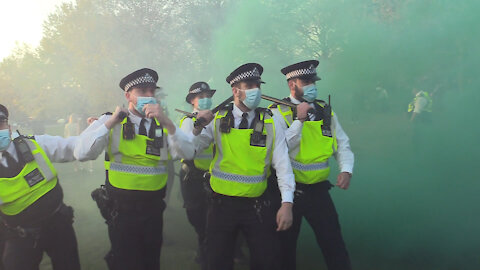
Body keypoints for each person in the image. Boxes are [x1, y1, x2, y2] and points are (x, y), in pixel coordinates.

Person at [74, 68, 195, 270]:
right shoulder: (111, 120)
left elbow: (188, 153)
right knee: (126, 262)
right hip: (122, 212)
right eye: (142, 91)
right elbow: (82, 153)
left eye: (151, 90)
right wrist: (110, 122)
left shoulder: (164, 124)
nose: (148, 96)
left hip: (153, 210)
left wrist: (167, 122)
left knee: (151, 262)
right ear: (127, 95)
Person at [193, 63, 295, 270]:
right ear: (235, 91)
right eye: (249, 85)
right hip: (221, 206)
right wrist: (197, 126)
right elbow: (189, 149)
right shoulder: (216, 118)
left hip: (257, 207)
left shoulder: (271, 120)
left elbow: (283, 163)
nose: (255, 90)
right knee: (216, 262)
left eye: (257, 85)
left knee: (266, 261)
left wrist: (287, 203)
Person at [270, 60, 354, 270]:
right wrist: (299, 120)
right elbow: (278, 149)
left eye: (313, 81)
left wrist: (346, 169)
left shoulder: (325, 110)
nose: (312, 86)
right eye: (305, 81)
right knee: (284, 248)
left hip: (318, 191)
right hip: (287, 193)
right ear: (292, 85)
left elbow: (342, 143)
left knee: (333, 243)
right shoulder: (276, 112)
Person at [0, 104, 80, 270]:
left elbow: (76, 147)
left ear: (8, 126)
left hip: (58, 225)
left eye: (0, 122)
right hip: (19, 235)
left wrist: (103, 125)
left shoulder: (34, 143)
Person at [178, 81, 216, 268]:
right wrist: (199, 126)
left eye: (208, 96)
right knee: (199, 220)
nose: (205, 100)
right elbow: (188, 149)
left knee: (216, 220)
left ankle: (211, 254)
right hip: (193, 179)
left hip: (215, 178)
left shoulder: (218, 120)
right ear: (192, 101)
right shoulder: (187, 122)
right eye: (201, 97)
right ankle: (204, 254)